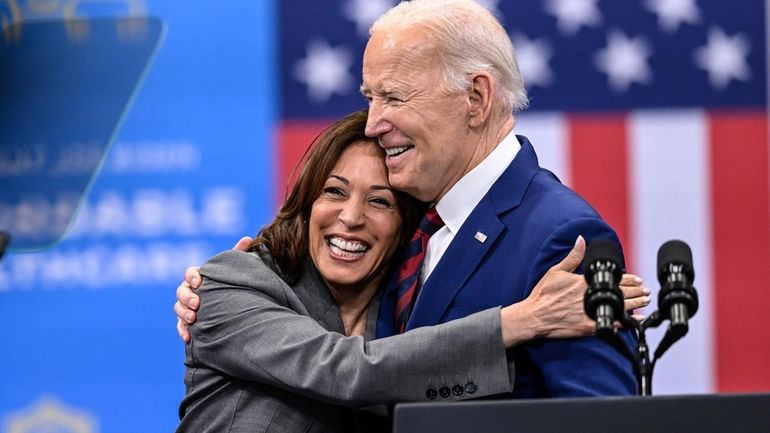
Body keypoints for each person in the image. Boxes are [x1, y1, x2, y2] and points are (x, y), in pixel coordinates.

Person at [178, 0, 648, 404]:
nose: (372, 123)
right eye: (370, 97)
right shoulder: (411, 227)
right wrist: (229, 288)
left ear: (476, 98)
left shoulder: (559, 236)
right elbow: (355, 361)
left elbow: (599, 419)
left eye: (394, 97)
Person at [176, 110, 648, 432]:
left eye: (379, 201)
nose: (351, 217)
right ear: (305, 203)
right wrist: (523, 320)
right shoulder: (230, 284)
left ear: (405, 226)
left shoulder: (404, 307)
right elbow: (346, 371)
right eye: (334, 192)